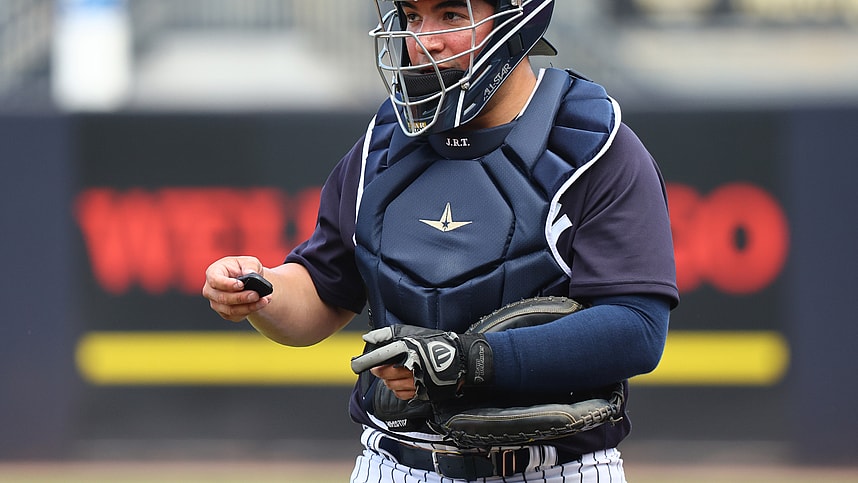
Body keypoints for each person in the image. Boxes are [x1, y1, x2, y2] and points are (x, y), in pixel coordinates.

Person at [202, 0, 679, 481]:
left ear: (518, 18)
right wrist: (261, 289)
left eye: (451, 15)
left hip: (553, 467)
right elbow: (322, 293)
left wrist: (472, 361)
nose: (423, 40)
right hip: (395, 463)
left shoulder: (592, 145)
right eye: (412, 17)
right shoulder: (383, 144)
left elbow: (636, 330)